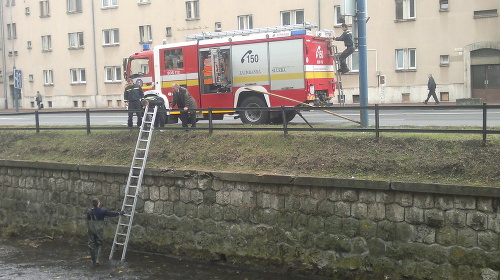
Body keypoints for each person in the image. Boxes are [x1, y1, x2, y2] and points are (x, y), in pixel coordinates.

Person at [86, 199, 124, 265]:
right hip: (99, 229)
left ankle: (93, 260)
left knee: (91, 244)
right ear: (98, 203)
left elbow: (88, 220)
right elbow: (110, 214)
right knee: (99, 244)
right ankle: (98, 260)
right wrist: (119, 213)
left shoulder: (89, 212)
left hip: (91, 229)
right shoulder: (102, 211)